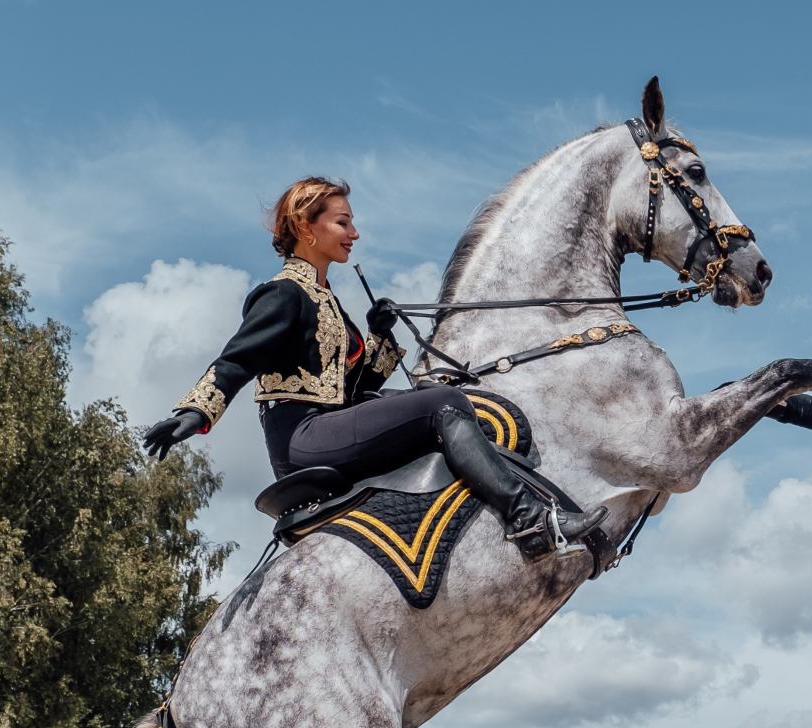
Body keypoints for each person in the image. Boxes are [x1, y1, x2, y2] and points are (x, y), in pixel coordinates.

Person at [140, 176, 602, 555]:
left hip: (328, 425)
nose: (354, 234)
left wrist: (379, 335)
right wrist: (195, 413)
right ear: (305, 226)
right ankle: (529, 520)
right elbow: (238, 358)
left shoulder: (328, 302)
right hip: (302, 437)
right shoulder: (283, 294)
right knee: (443, 403)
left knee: (447, 400)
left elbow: (354, 388)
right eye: (343, 222)